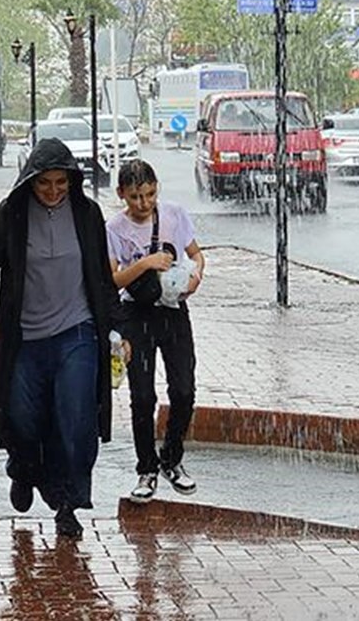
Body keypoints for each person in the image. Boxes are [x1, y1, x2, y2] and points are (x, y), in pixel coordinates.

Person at [0, 138, 130, 539]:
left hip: (77, 332)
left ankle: (67, 503)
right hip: (25, 337)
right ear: (30, 181)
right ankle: (23, 470)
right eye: (45, 183)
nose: (54, 191)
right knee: (22, 419)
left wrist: (118, 329)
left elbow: (101, 278)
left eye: (62, 182)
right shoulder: (13, 213)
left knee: (75, 419)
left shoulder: (87, 213)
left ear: (72, 181)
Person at [106, 160, 205, 503]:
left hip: (174, 310)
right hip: (136, 314)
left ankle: (172, 459)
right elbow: (112, 279)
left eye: (149, 194)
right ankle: (146, 468)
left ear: (157, 188)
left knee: (183, 390)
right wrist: (146, 263)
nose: (143, 203)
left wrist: (195, 278)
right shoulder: (114, 228)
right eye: (135, 197)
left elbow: (196, 255)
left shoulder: (175, 215)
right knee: (143, 397)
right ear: (122, 194)